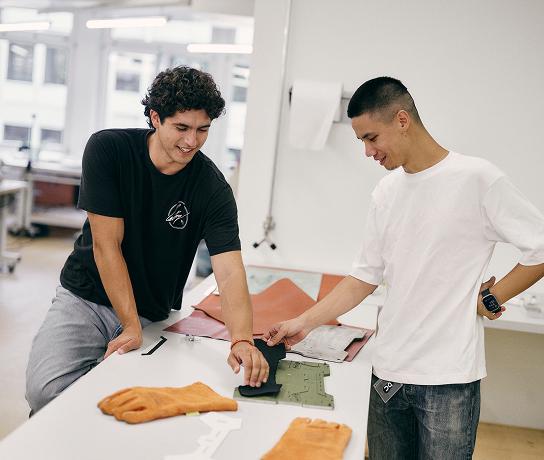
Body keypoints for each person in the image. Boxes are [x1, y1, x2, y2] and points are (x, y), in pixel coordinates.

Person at [264, 77, 544, 459]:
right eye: (361, 141)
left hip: (449, 381)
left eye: (371, 138)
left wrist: (493, 298)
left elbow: (539, 247)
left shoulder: (477, 179)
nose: (367, 152)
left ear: (401, 119)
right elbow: (363, 277)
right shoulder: (387, 193)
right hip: (388, 373)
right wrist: (303, 322)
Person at [26, 66, 269, 414]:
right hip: (86, 296)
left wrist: (242, 339)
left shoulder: (212, 189)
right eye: (182, 128)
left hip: (150, 312)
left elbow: (229, 272)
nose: (191, 142)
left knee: (124, 403)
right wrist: (127, 325)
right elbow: (106, 245)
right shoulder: (109, 150)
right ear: (156, 117)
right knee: (44, 393)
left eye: (203, 130)